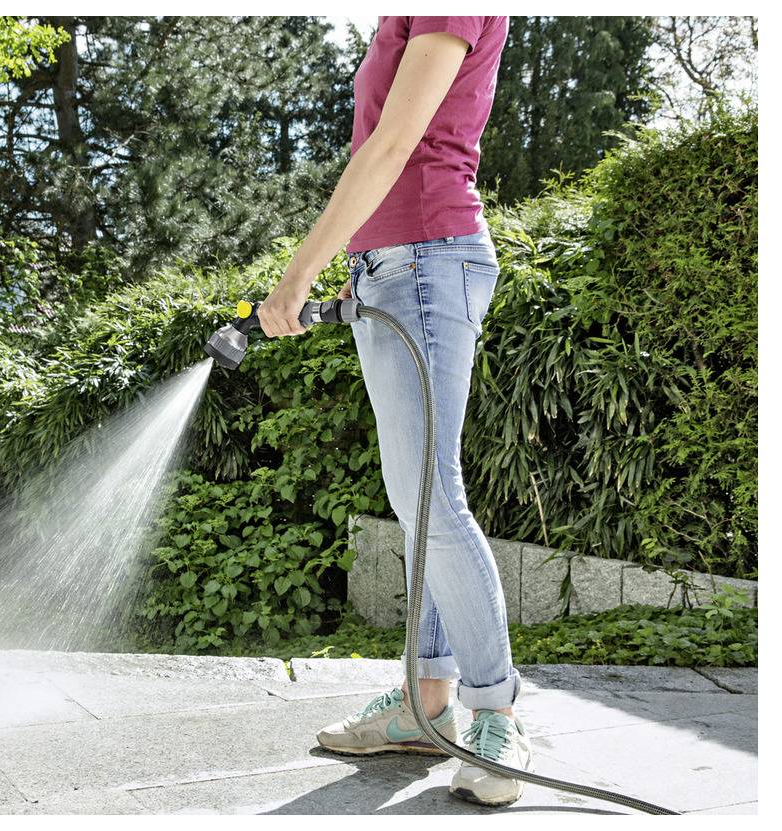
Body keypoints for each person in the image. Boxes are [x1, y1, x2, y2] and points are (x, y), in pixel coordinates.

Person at [256, 17, 529, 807]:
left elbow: (391, 146)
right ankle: (426, 703)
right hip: (392, 265)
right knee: (416, 504)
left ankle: (495, 711)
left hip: (428, 258)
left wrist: (297, 272)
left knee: (433, 498)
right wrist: (356, 258)